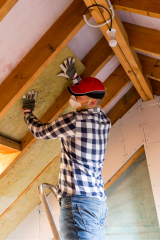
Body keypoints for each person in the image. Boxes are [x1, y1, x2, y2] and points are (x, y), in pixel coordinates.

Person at [22, 58, 111, 240]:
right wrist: (76, 79)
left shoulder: (74, 120)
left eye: (79, 96)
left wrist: (27, 114)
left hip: (78, 204)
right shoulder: (104, 120)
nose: (74, 99)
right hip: (97, 203)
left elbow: (40, 132)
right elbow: (91, 96)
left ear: (92, 102)